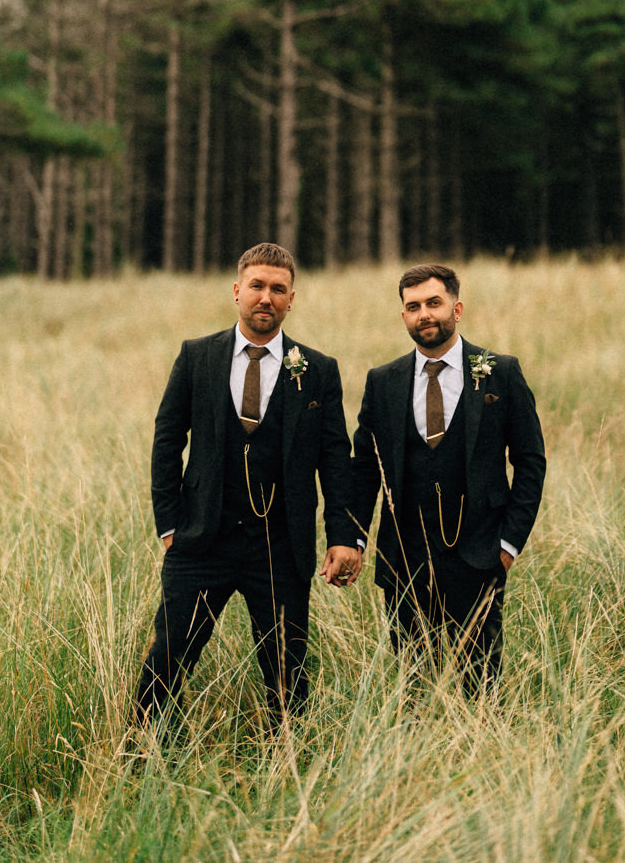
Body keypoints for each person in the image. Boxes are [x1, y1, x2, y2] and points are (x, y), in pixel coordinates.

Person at [134, 242, 362, 726]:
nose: (267, 298)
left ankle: (288, 766)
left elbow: (335, 457)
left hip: (280, 545)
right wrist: (169, 524)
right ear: (237, 291)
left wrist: (344, 535)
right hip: (201, 541)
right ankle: (138, 755)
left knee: (287, 673)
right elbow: (167, 438)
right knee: (169, 657)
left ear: (291, 299)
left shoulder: (317, 369)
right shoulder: (198, 357)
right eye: (257, 286)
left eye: (278, 289)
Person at [351, 262, 545, 690]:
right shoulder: (382, 382)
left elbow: (530, 462)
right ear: (403, 316)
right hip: (405, 558)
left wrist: (508, 546)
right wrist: (354, 539)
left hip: (480, 556)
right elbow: (365, 466)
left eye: (434, 303)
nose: (425, 314)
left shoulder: (501, 371)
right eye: (414, 306)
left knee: (480, 687)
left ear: (457, 309)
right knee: (412, 688)